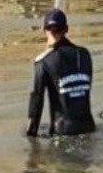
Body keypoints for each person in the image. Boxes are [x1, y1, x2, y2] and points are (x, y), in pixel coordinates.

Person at [26, 8, 96, 137]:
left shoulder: (43, 61)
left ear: (44, 30)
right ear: (66, 29)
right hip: (89, 128)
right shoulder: (85, 54)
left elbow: (37, 102)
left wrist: (30, 137)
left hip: (63, 133)